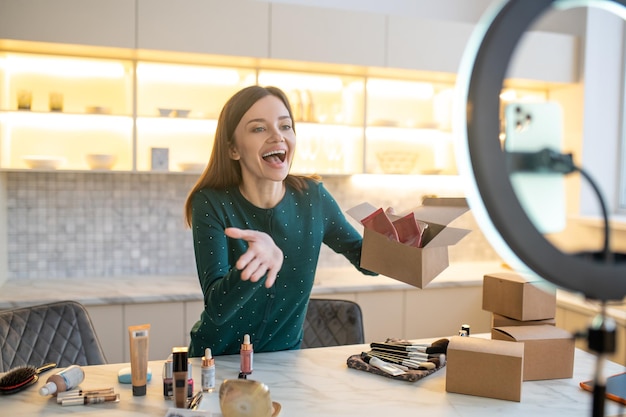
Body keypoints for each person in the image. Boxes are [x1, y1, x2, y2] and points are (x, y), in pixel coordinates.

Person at [184, 85, 376, 357]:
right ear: (233, 149)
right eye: (259, 129)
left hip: (284, 361)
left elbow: (366, 262)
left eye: (285, 126)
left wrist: (397, 244)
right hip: (215, 362)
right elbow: (217, 308)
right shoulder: (212, 203)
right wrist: (255, 267)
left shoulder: (313, 198)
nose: (277, 136)